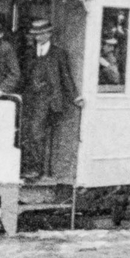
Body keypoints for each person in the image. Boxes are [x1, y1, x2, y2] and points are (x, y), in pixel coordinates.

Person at [19, 19, 82, 180]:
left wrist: (75, 96)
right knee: (27, 131)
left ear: (48, 34)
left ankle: (36, 169)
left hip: (49, 100)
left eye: (40, 34)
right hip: (31, 99)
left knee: (36, 131)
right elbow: (24, 77)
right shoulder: (29, 52)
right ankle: (30, 167)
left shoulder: (58, 53)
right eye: (35, 35)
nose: (37, 37)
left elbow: (66, 77)